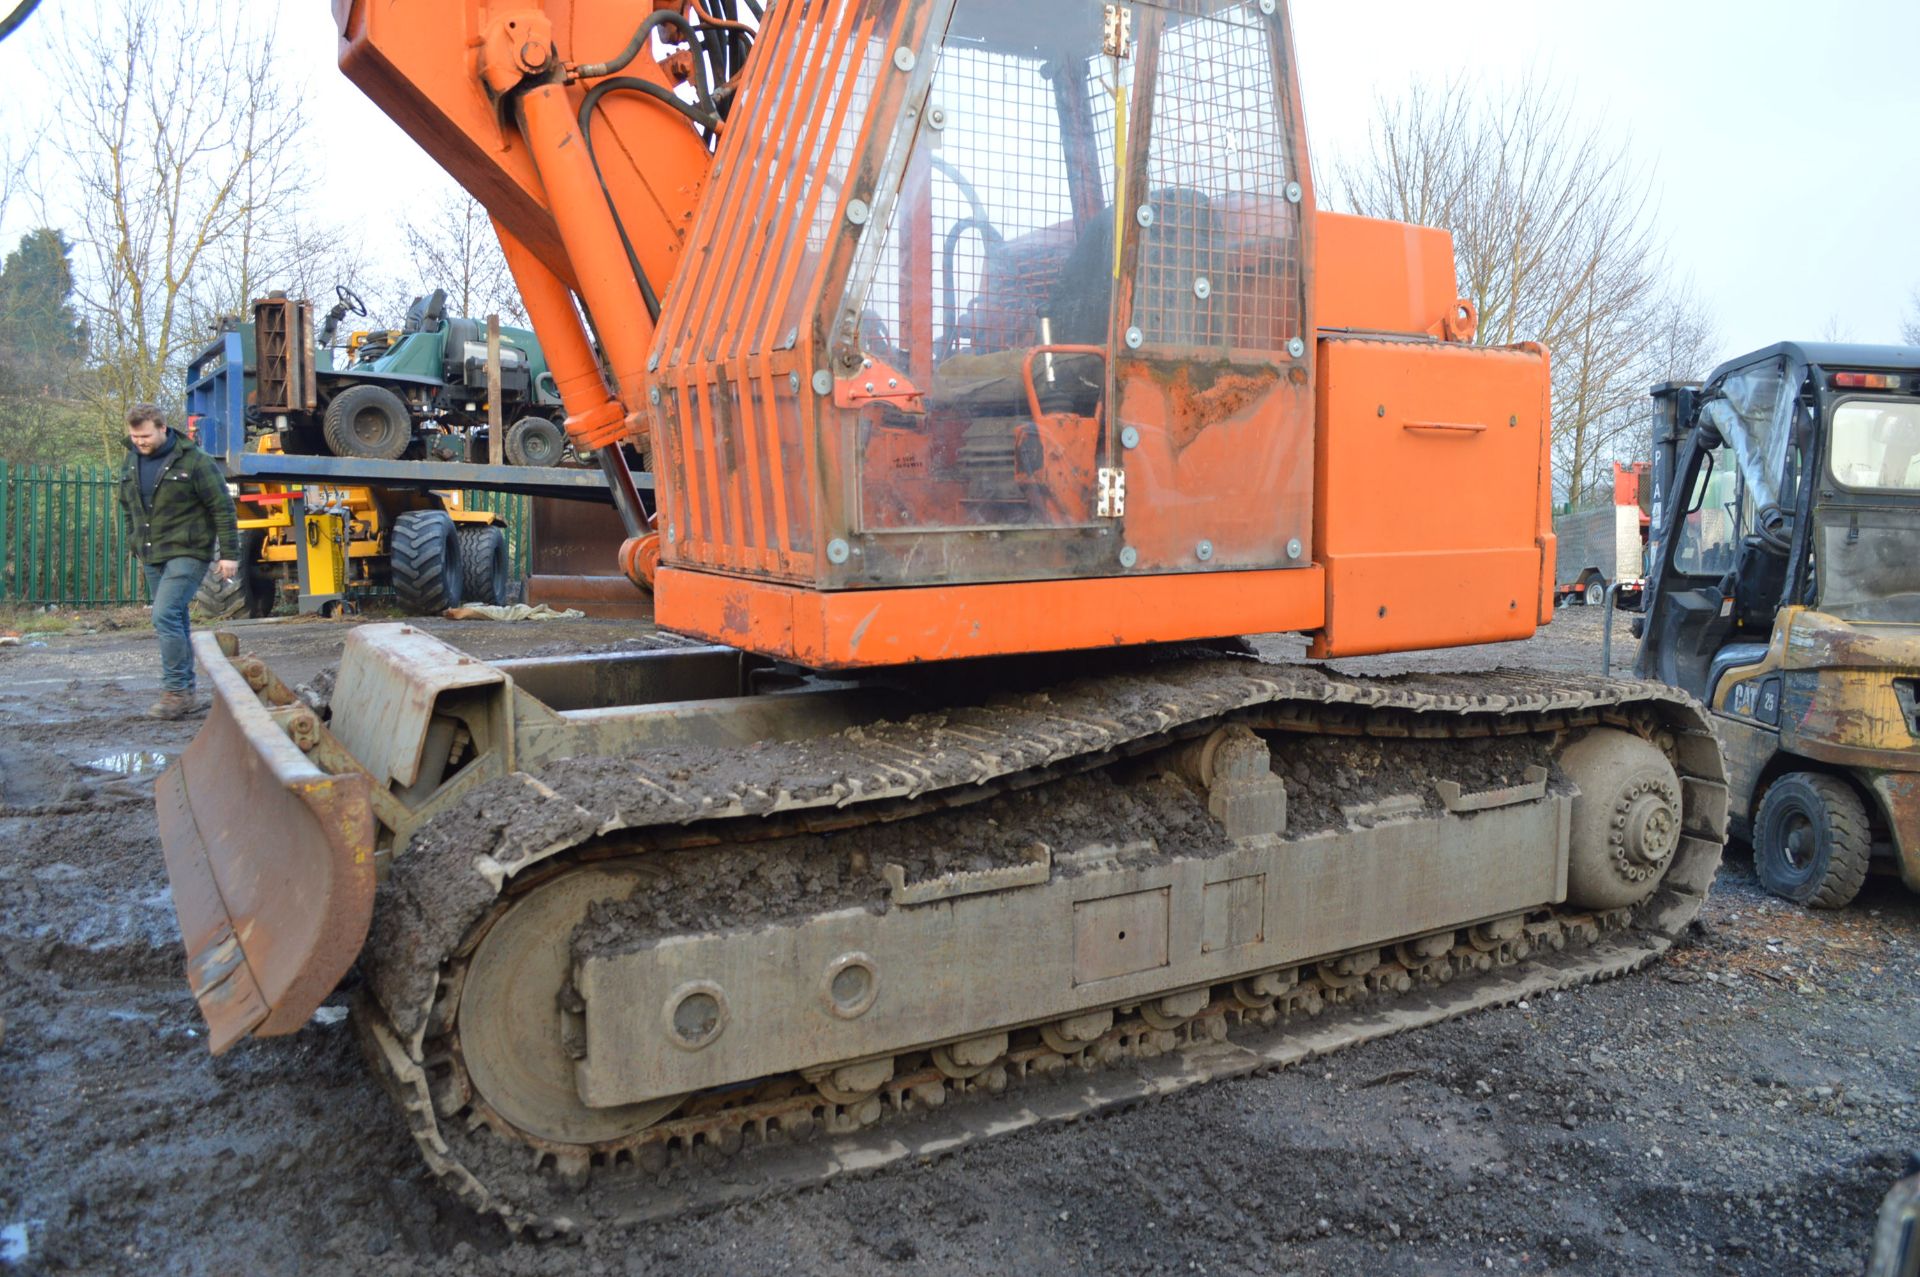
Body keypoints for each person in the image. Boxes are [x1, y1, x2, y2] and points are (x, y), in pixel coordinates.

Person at [117, 403, 240, 719]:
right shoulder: (130, 461)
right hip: (152, 553)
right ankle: (185, 692)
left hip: (188, 551)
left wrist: (229, 555)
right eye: (134, 436)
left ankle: (174, 691)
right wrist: (133, 539)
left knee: (164, 614)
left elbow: (222, 508)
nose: (139, 442)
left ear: (162, 428)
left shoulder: (195, 462)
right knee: (175, 619)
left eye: (144, 436)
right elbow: (128, 505)